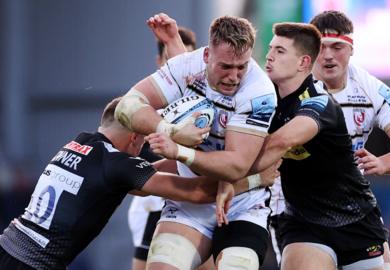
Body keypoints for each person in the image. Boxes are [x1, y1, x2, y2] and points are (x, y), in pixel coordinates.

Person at [219, 22, 390, 269]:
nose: (269, 56)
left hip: (356, 220)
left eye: (280, 51)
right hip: (304, 223)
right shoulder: (262, 97)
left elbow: (281, 142)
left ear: (302, 62)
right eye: (270, 48)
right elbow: (210, 73)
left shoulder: (320, 103)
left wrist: (231, 178)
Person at [116, 13, 277, 270]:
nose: (234, 76)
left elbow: (235, 166)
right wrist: (169, 130)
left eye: (242, 67)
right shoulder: (186, 66)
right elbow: (127, 106)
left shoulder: (260, 91)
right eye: (225, 66)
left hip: (242, 204)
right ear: (206, 56)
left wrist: (179, 150)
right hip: (189, 202)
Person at [0, 97, 221, 270]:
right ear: (135, 136)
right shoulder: (117, 164)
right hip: (33, 263)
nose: (142, 150)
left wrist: (178, 161)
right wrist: (230, 168)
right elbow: (198, 192)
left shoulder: (80, 143)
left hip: (2, 250)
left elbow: (138, 178)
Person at [310, 10, 390, 270]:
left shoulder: (370, 88)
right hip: (300, 210)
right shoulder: (292, 86)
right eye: (321, 47)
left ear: (351, 49)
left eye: (338, 46)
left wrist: (384, 163)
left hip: (353, 206)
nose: (329, 55)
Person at [127, 26, 198, 270]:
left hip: (196, 202)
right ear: (160, 62)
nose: (180, 70)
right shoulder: (145, 108)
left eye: (185, 61)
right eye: (172, 60)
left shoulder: (203, 107)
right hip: (155, 205)